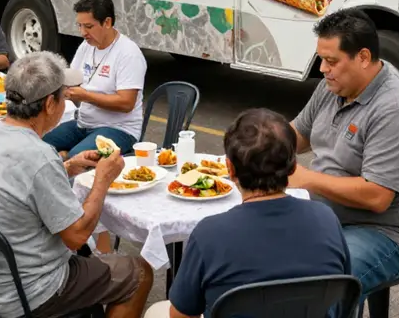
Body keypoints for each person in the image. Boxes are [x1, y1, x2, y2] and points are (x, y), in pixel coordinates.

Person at [0, 52, 152, 318]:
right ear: (50, 104)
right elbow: (77, 236)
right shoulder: (39, 155)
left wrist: (68, 167)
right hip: (31, 291)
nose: (67, 103)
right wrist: (102, 181)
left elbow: (19, 184)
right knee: (138, 273)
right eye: (64, 96)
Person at [145, 108, 351, 318]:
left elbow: (181, 315)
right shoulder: (326, 219)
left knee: (157, 311)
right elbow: (341, 293)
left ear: (230, 170)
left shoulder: (209, 233)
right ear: (293, 167)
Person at [288, 8, 399, 303]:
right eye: (321, 60)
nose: (323, 70)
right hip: (327, 216)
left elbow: (377, 196)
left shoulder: (395, 109)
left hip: (387, 234)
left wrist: (307, 180)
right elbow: (298, 135)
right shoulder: (333, 86)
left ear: (363, 58)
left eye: (331, 61)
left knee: (319, 284)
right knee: (253, 248)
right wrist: (255, 146)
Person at [42, 0, 146, 159]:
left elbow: (127, 103)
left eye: (88, 27)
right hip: (83, 124)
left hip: (119, 129)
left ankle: (66, 158)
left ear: (107, 22)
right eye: (80, 26)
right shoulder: (86, 46)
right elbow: (70, 79)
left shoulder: (128, 53)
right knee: (39, 143)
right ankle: (63, 158)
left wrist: (86, 96)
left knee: (78, 158)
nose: (83, 32)